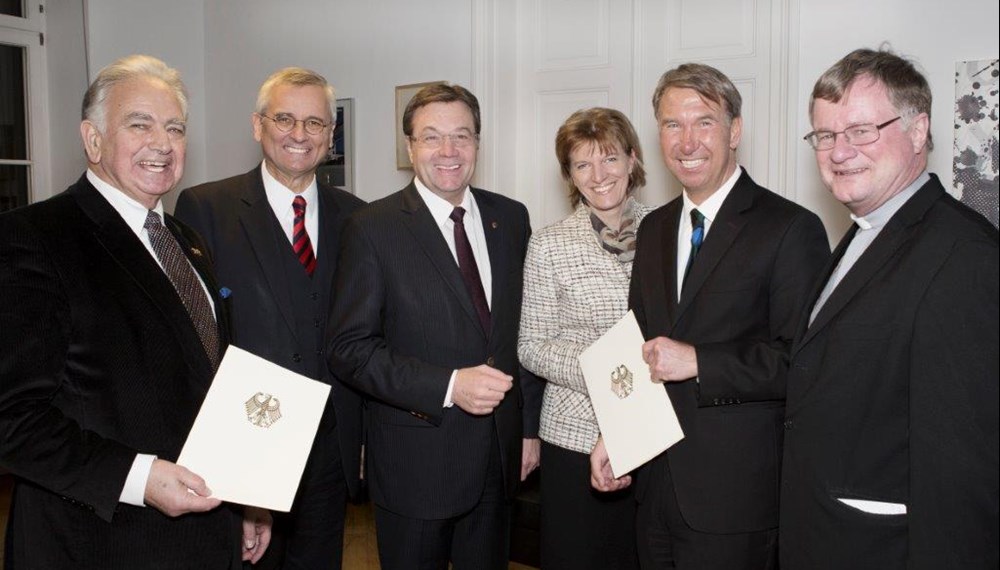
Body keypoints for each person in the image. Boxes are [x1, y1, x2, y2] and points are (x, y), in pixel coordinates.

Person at [0, 54, 270, 569]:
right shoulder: (35, 239)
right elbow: (11, 417)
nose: (162, 143)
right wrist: (138, 478)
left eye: (175, 127)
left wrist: (247, 498)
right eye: (139, 124)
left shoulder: (186, 242)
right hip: (97, 544)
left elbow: (209, 382)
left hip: (205, 535)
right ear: (93, 138)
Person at [590, 63, 829, 569]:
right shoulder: (653, 228)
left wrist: (701, 361)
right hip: (653, 489)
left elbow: (803, 365)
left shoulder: (790, 228)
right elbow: (640, 347)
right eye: (672, 125)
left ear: (734, 130)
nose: (687, 141)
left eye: (703, 122)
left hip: (735, 501)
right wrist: (614, 433)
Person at [780, 47, 999, 570]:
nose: (839, 152)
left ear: (919, 131)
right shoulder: (865, 232)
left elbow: (962, 476)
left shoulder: (966, 258)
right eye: (826, 136)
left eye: (861, 130)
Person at [328, 83, 536, 569]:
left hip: (497, 461)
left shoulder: (511, 217)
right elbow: (349, 348)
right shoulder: (372, 228)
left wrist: (527, 431)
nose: (448, 151)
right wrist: (448, 385)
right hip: (415, 465)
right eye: (432, 137)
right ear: (409, 147)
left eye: (461, 136)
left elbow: (521, 332)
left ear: (478, 144)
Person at [174, 67, 365, 570]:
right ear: (258, 125)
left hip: (330, 449)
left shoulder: (359, 218)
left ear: (330, 135)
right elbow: (194, 338)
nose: (299, 135)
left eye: (314, 123)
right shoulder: (205, 208)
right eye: (284, 119)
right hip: (245, 444)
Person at [518, 107, 649, 569]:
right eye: (582, 164)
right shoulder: (549, 243)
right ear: (569, 175)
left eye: (610, 158)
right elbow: (532, 344)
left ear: (632, 160)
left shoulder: (666, 230)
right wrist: (612, 368)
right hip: (573, 435)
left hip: (652, 433)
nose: (599, 175)